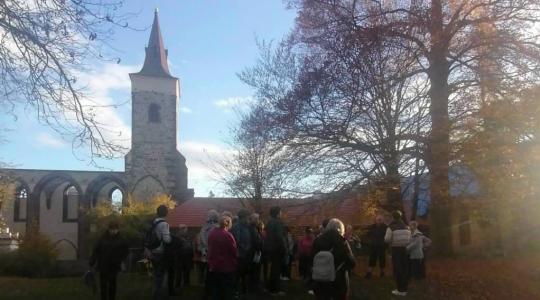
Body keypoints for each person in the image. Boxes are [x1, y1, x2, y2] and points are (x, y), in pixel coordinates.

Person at [311, 218, 356, 300]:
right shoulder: (342, 241)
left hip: (320, 280)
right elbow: (352, 262)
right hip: (338, 281)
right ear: (341, 229)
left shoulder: (317, 240)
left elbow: (311, 259)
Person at [89, 221, 129, 300]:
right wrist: (92, 261)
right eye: (112, 229)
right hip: (103, 265)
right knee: (103, 284)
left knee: (112, 284)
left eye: (115, 229)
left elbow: (126, 251)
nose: (113, 231)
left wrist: (122, 260)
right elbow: (96, 250)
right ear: (109, 229)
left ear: (118, 229)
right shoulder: (103, 239)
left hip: (114, 265)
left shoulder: (121, 239)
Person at [207, 215, 238, 300]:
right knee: (227, 289)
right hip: (227, 266)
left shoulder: (212, 233)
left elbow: (209, 247)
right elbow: (234, 251)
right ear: (229, 224)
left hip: (214, 265)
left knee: (216, 289)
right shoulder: (228, 235)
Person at [145, 205, 172, 300]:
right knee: (161, 275)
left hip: (152, 251)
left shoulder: (153, 222)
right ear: (166, 213)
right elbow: (166, 240)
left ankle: (155, 294)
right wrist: (172, 238)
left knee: (156, 274)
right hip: (160, 252)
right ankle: (158, 296)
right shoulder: (164, 224)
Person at [385, 210, 411, 297]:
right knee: (404, 269)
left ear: (393, 217)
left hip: (396, 250)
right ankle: (405, 288)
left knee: (397, 270)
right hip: (405, 250)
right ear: (400, 217)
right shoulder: (407, 227)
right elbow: (409, 239)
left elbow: (387, 239)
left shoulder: (391, 227)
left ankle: (400, 290)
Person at [264, 206, 287, 296]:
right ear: (277, 213)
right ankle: (274, 290)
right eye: (280, 212)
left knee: (273, 269)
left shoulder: (269, 222)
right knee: (276, 270)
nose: (281, 213)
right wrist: (284, 248)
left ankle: (270, 288)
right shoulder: (278, 222)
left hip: (270, 248)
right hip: (277, 249)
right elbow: (279, 237)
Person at [230, 209, 253, 296]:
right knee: (237, 274)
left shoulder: (245, 226)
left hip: (245, 254)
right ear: (243, 217)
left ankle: (243, 290)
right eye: (247, 218)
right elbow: (237, 241)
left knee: (244, 273)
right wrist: (246, 248)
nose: (248, 220)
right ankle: (235, 290)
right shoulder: (237, 227)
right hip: (239, 255)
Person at [199, 209, 220, 285]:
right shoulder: (217, 228)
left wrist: (203, 250)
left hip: (207, 253)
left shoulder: (204, 228)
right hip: (212, 254)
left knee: (208, 273)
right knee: (212, 273)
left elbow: (201, 240)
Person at [248, 213, 264, 293]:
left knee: (254, 270)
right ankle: (255, 287)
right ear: (254, 220)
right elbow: (256, 241)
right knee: (255, 270)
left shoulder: (253, 228)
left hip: (254, 252)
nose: (258, 220)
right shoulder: (252, 229)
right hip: (254, 253)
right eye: (257, 219)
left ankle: (253, 286)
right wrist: (261, 246)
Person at [298, 227, 315, 295]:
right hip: (303, 257)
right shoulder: (302, 239)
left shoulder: (313, 240)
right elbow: (300, 247)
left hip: (310, 258)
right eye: (307, 233)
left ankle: (308, 282)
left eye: (310, 233)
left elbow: (314, 247)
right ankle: (305, 280)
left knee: (309, 270)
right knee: (303, 269)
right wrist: (301, 252)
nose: (309, 234)